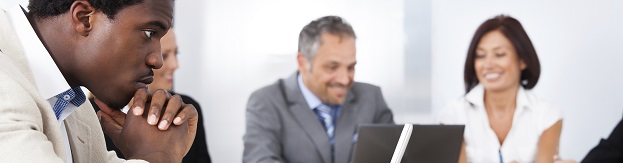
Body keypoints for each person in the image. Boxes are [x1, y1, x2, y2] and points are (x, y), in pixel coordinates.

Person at [0, 0, 198, 162]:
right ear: (84, 18)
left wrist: (162, 145)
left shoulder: (72, 105)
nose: (157, 60)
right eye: (149, 33)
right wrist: (157, 156)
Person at [243, 16, 395, 163]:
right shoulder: (267, 101)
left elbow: (395, 155)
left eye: (351, 67)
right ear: (302, 63)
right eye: (332, 67)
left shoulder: (371, 97)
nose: (344, 79)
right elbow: (259, 159)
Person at [437, 15, 563, 163]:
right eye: (480, 56)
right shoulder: (453, 115)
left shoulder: (547, 115)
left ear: (523, 60)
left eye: (499, 54)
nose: (488, 64)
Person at [90, 29, 212, 163]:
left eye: (176, 53)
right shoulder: (85, 115)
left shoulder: (184, 111)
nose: (175, 65)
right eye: (165, 55)